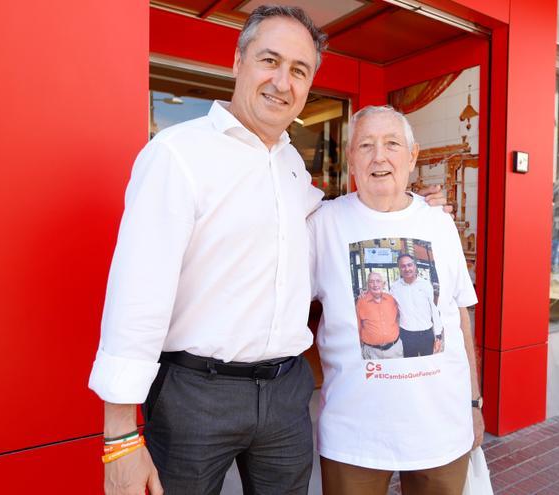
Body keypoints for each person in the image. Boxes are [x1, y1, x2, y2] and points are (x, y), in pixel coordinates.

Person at [88, 6, 448, 494]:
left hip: (285, 396)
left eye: (299, 70)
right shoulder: (177, 154)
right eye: (270, 60)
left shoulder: (291, 164)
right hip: (195, 396)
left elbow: (338, 215)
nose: (282, 81)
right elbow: (137, 295)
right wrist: (119, 437)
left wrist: (409, 207)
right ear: (238, 61)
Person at [308, 105, 485, 495]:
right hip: (354, 438)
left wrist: (474, 403)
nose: (379, 157)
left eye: (391, 144)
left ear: (412, 155)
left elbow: (459, 316)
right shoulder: (322, 223)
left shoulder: (440, 222)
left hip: (442, 431)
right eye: (366, 145)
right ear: (350, 157)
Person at [391, 253, 443, 357]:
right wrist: (366, 295)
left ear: (415, 266)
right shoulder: (395, 288)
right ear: (399, 269)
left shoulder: (425, 285)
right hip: (406, 335)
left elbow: (434, 310)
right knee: (409, 365)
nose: (407, 269)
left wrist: (438, 335)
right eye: (403, 266)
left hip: (426, 334)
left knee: (428, 363)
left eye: (409, 265)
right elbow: (386, 304)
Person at [356, 271, 402, 359]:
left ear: (383, 284)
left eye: (378, 281)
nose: (375, 284)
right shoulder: (361, 302)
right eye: (371, 282)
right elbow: (358, 327)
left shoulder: (391, 299)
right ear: (368, 285)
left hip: (394, 350)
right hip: (371, 352)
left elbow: (400, 317)